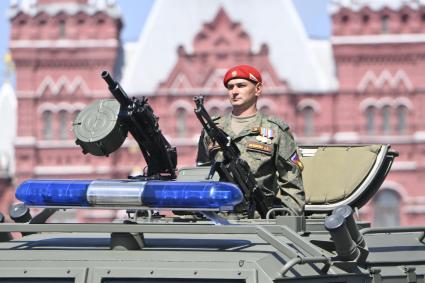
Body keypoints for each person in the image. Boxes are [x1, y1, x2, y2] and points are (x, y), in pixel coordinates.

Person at [196, 64, 305, 216]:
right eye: (230, 87)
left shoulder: (275, 130)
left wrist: (287, 221)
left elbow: (292, 181)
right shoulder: (213, 129)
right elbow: (201, 172)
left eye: (241, 85)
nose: (234, 91)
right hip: (218, 219)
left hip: (260, 219)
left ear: (258, 89)